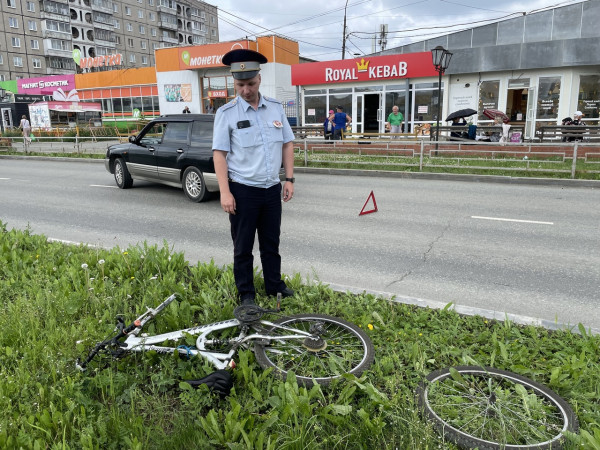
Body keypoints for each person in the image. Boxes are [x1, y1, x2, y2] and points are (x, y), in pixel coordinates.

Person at [212, 49, 295, 306]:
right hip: (243, 191)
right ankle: (246, 294)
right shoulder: (227, 113)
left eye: (250, 83)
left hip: (271, 189)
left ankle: (274, 285)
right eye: (240, 85)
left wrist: (289, 179)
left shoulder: (275, 109)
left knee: (271, 243)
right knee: (243, 247)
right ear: (233, 82)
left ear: (259, 78)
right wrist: (225, 192)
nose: (245, 90)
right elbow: (219, 154)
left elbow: (287, 144)